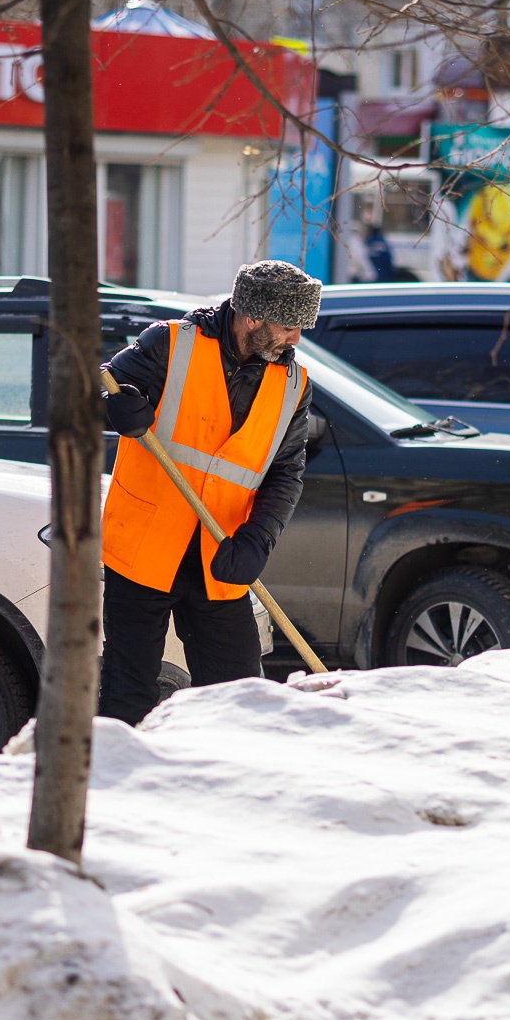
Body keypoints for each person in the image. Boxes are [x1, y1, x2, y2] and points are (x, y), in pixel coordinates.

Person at [97, 261, 318, 725]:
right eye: (289, 326)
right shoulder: (170, 345)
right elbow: (93, 393)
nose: (295, 340)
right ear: (252, 316)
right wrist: (114, 410)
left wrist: (259, 539)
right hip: (144, 550)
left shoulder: (293, 385)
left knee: (239, 701)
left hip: (219, 556)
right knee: (127, 695)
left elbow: (285, 472)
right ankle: (118, 787)